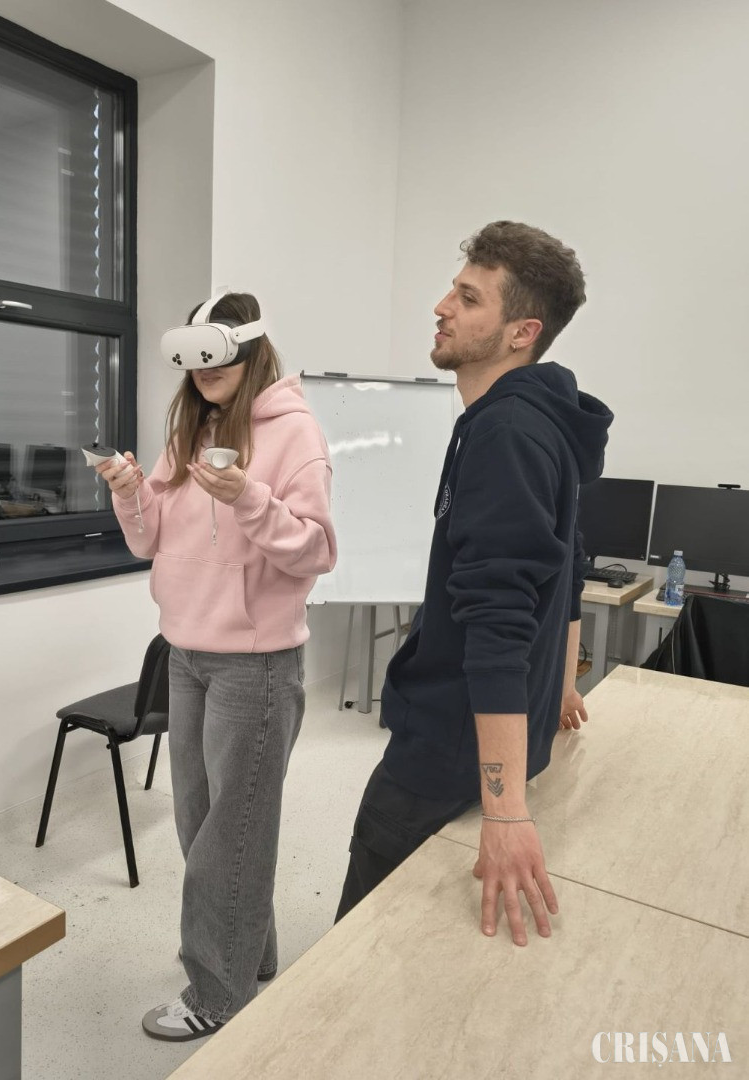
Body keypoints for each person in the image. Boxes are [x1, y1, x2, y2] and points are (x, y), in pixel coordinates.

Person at [336, 221, 612, 945]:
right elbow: (569, 563)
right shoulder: (535, 421)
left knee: (360, 938)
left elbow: (498, 620)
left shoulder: (506, 432)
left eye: (468, 298)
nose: (441, 307)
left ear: (522, 332)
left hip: (446, 745)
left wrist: (506, 811)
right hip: (487, 735)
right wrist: (562, 684)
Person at [99, 292, 337, 1040]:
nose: (203, 371)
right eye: (193, 358)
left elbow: (317, 550)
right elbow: (150, 540)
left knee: (231, 834)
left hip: (255, 667)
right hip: (186, 655)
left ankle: (216, 994)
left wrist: (250, 501)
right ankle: (248, 955)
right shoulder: (191, 431)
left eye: (217, 354)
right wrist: (130, 494)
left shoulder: (294, 432)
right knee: (202, 823)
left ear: (248, 351)